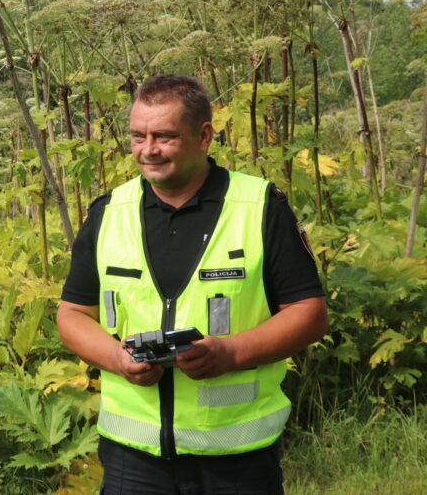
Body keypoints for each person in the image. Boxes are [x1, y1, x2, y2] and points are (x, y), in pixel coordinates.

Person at [57, 74, 327, 494]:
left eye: (165, 136)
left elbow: (309, 315)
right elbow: (72, 314)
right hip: (133, 459)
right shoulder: (109, 212)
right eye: (137, 137)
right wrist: (116, 358)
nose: (148, 151)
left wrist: (230, 352)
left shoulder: (259, 207)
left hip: (237, 460)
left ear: (204, 137)